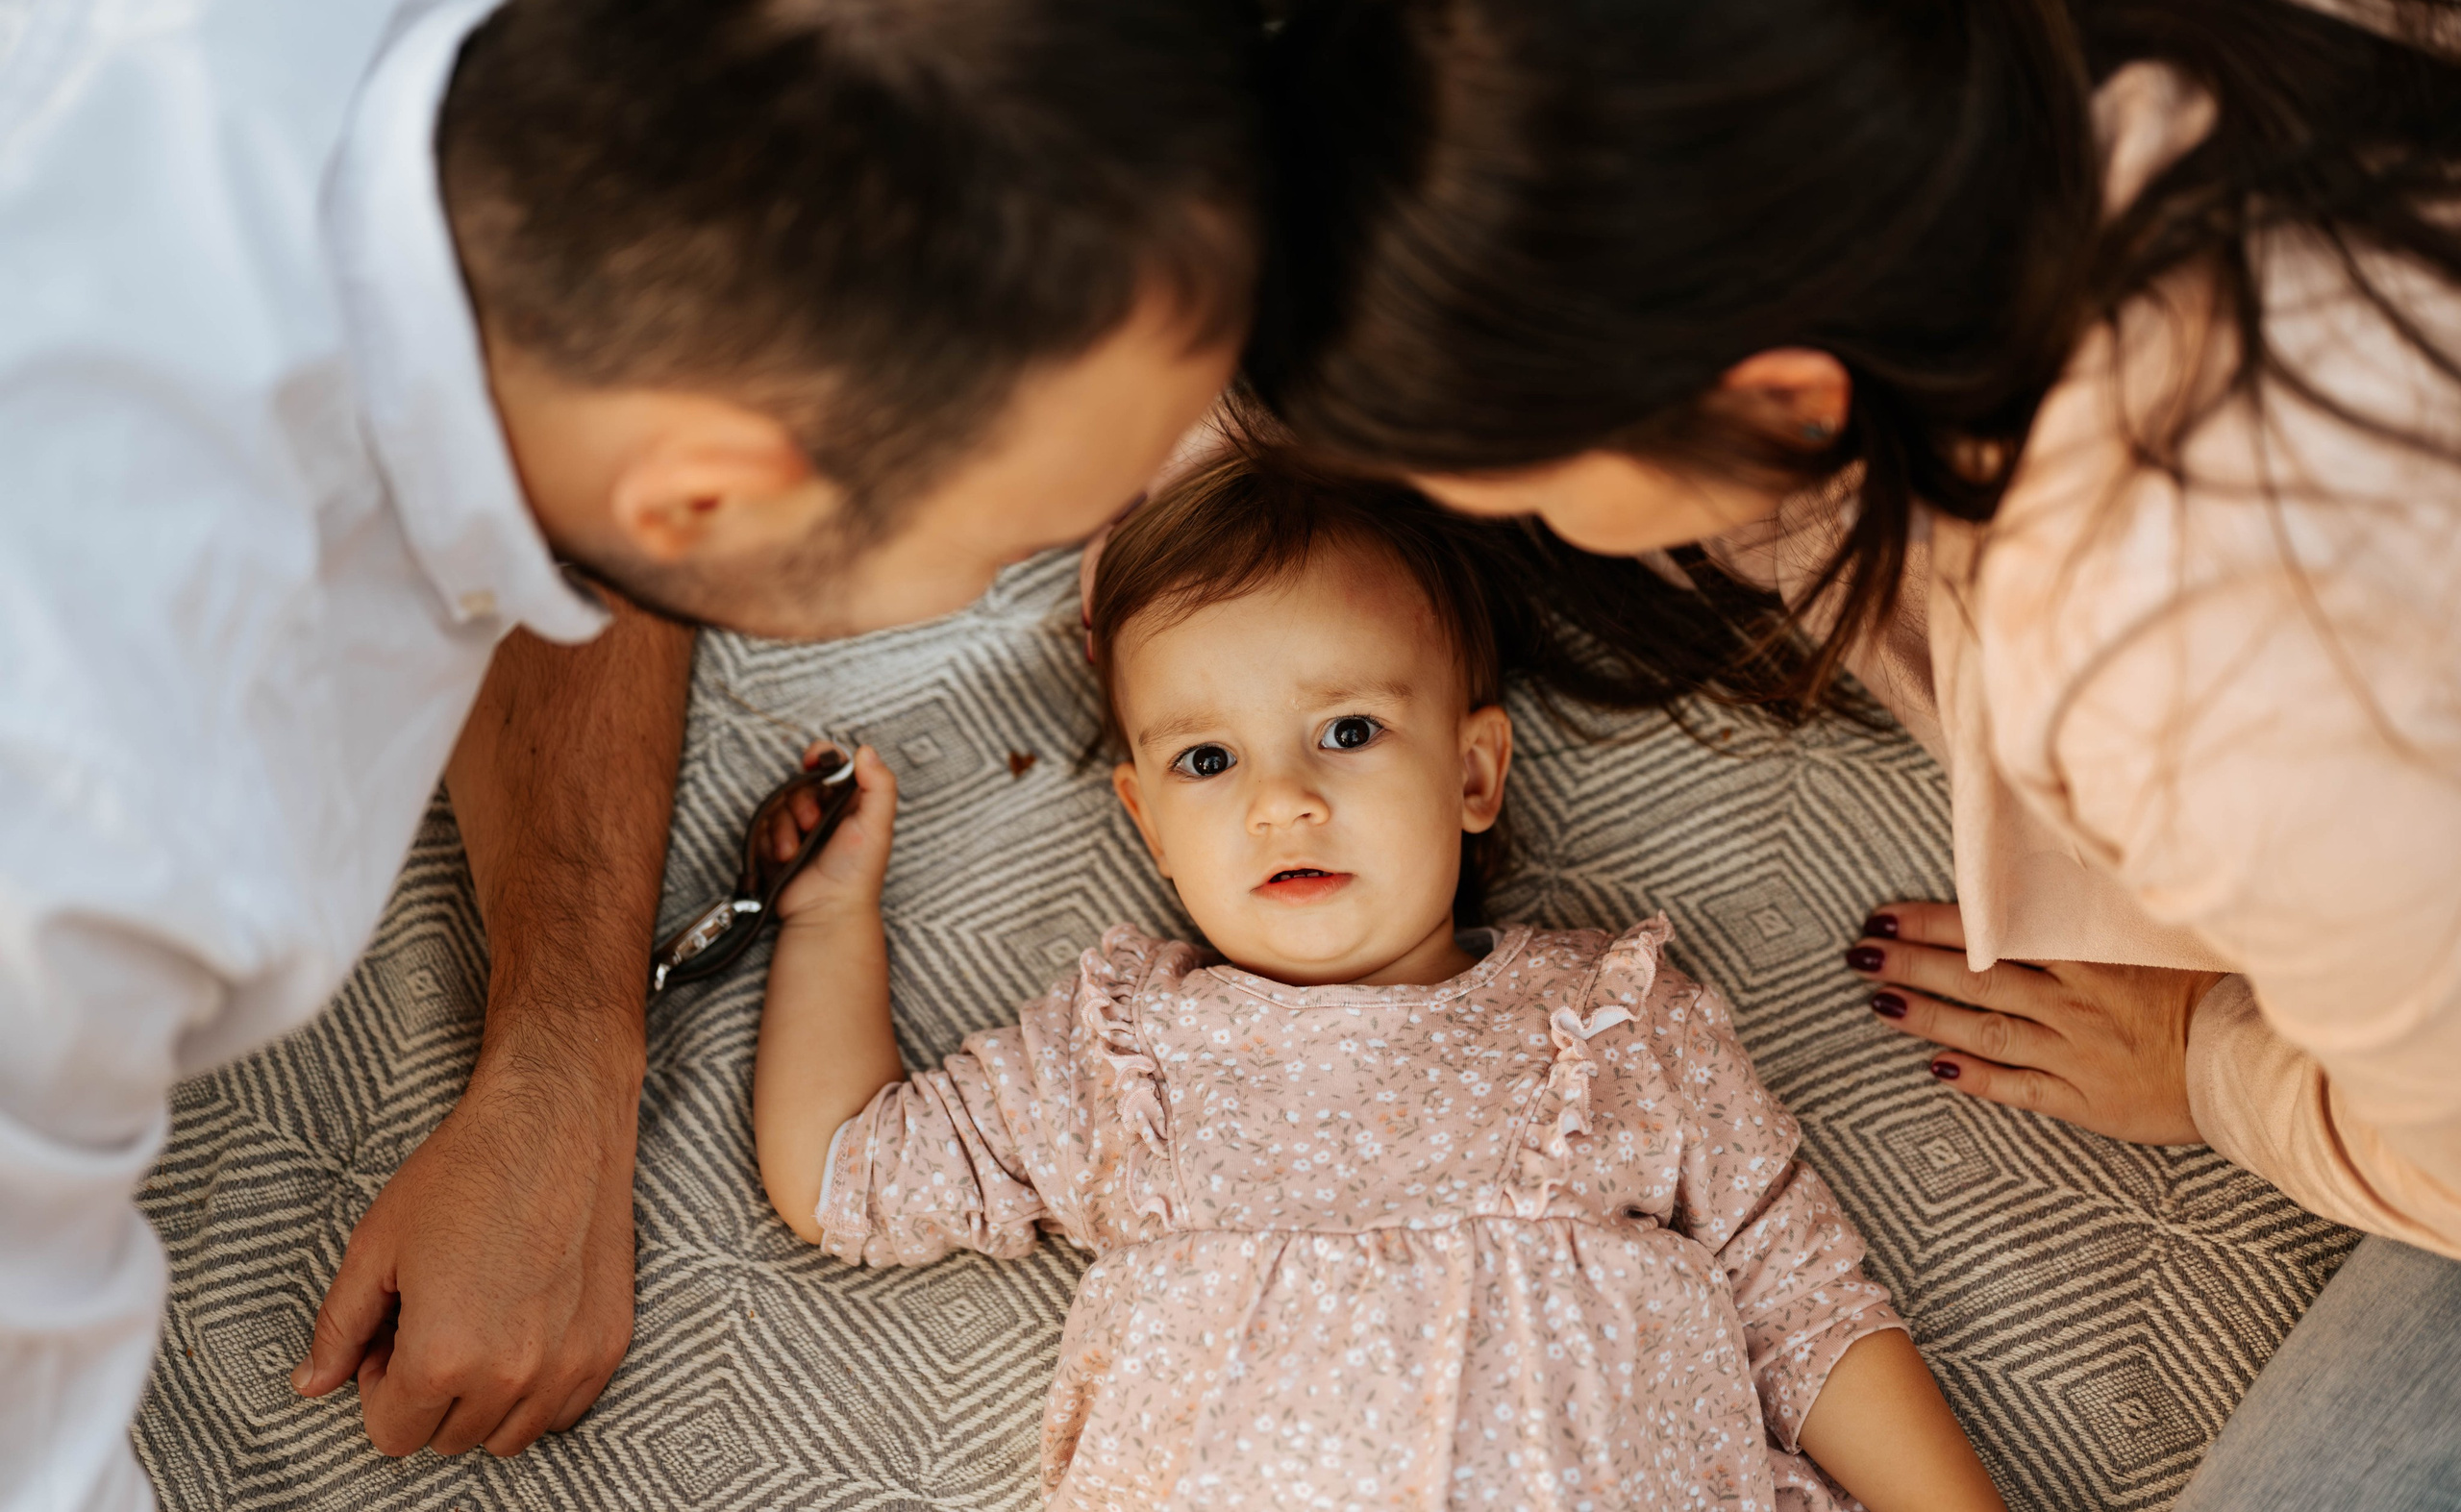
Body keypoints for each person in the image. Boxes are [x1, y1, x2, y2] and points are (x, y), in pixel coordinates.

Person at [0, 0, 1261, 1499]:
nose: (1027, 582)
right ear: (704, 497)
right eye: (1014, 538)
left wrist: (564, 1067)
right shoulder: (109, 831)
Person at [1247, 0, 2461, 1501]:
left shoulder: (2209, 697)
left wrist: (2214, 1066)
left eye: (1514, 478)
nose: (1499, 525)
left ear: (1781, 395)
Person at [753, 454, 2008, 1511]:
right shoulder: (1118, 1050)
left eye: (1346, 731)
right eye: (1206, 758)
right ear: (1143, 821)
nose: (1281, 798)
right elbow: (846, 1166)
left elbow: (1803, 1307)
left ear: (1474, 773)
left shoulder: (1617, 1018)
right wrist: (824, 914)